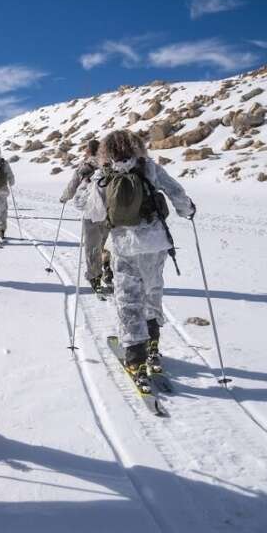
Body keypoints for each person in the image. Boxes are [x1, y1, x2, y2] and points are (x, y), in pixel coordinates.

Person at [85, 130, 194, 384]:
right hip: (155, 243)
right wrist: (187, 209)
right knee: (152, 292)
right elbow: (176, 192)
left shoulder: (104, 174)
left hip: (125, 246)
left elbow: (95, 213)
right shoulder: (149, 167)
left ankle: (136, 359)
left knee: (128, 301)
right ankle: (153, 345)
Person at [62, 139, 113, 295]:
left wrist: (65, 197)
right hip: (109, 212)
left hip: (91, 213)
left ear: (90, 151)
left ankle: (94, 277)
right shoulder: (109, 164)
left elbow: (73, 184)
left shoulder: (86, 166)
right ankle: (106, 266)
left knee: (92, 246)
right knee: (104, 242)